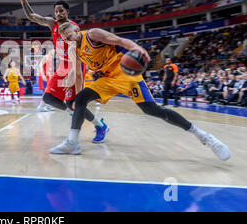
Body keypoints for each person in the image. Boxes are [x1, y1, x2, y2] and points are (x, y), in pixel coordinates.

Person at [49, 22, 231, 161]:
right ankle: (72, 143)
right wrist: (78, 98)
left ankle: (205, 137)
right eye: (64, 38)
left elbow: (119, 41)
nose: (68, 39)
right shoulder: (74, 50)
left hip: (124, 72)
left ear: (74, 29)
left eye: (69, 35)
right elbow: (79, 75)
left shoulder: (92, 34)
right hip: (107, 78)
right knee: (79, 99)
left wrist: (137, 48)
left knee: (152, 110)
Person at [13, 0, 106, 139]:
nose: (58, 13)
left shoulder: (74, 29)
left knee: (75, 103)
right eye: (56, 11)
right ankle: (72, 110)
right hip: (62, 66)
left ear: (67, 12)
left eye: (61, 11)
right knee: (48, 97)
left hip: (75, 67)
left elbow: (79, 53)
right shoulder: (51, 23)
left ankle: (100, 125)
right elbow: (32, 16)